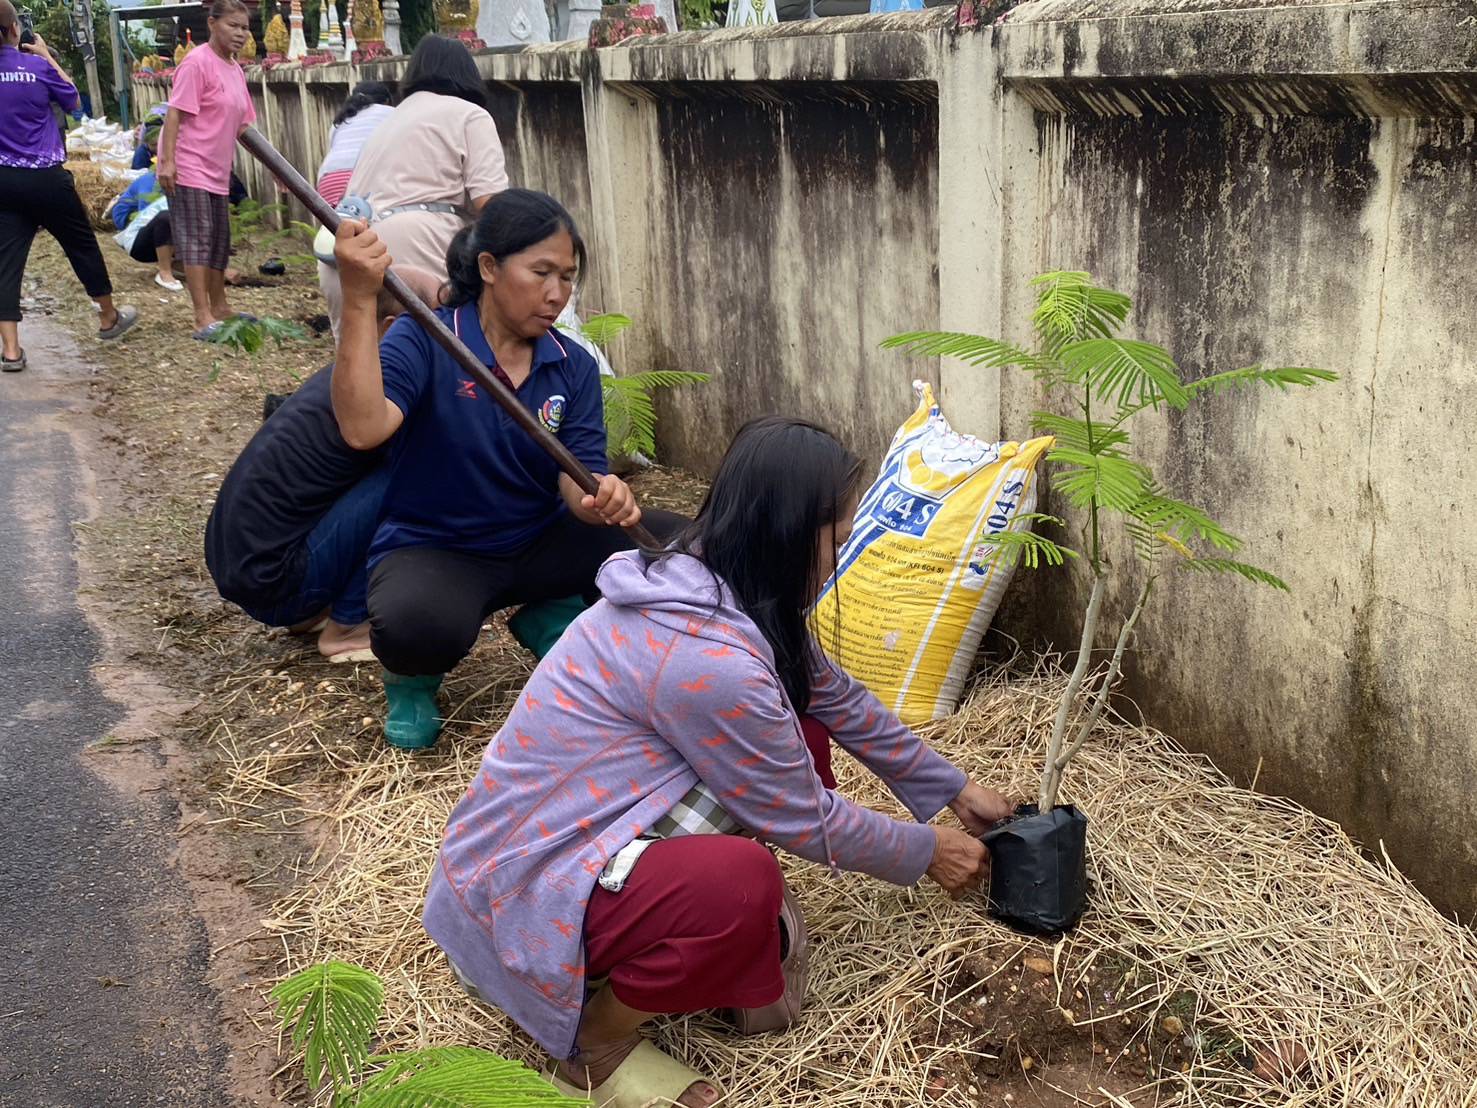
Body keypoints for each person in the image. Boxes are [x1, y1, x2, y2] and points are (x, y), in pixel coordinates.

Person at [422, 416, 1016, 1107]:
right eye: (837, 537)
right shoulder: (708, 658)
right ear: (790, 535)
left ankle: (671, 929)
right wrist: (928, 850)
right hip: (522, 899)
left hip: (564, 836)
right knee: (739, 886)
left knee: (799, 728)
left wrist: (954, 790)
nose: (840, 555)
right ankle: (594, 1047)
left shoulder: (711, 578)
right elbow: (807, 821)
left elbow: (831, 695)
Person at [331, 188, 684, 749]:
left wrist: (600, 496)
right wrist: (358, 299)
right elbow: (362, 429)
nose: (556, 294)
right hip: (439, 547)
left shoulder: (571, 363)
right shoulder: (428, 339)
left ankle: (552, 609)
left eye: (567, 277)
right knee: (415, 626)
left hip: (539, 539)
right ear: (489, 267)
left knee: (681, 548)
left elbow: (577, 476)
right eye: (541, 272)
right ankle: (411, 679)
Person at [204, 266, 445, 662]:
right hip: (275, 582)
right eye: (439, 320)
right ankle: (348, 626)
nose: (451, 332)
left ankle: (314, 610)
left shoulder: (348, 376)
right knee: (421, 474)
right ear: (395, 328)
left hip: (249, 568)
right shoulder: (384, 392)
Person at [318, 34, 507, 335]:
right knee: (446, 350)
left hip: (343, 249)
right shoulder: (471, 115)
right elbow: (493, 205)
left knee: (360, 359)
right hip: (410, 249)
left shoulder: (392, 118)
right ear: (469, 75)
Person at [0, 0, 139, 372]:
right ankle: (108, 317)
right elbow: (74, 100)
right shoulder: (36, 67)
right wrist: (47, 55)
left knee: (6, 262)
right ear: (14, 29)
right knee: (81, 245)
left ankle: (11, 351)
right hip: (47, 178)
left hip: (4, 181)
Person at [156, 0, 256, 340]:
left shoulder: (234, 69)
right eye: (233, 25)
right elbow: (175, 112)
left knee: (218, 241)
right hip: (189, 164)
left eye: (245, 27)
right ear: (212, 24)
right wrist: (168, 162)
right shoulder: (197, 63)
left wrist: (276, 168)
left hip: (217, 169)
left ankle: (220, 306)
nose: (241, 33)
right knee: (197, 239)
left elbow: (244, 127)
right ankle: (201, 316)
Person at [315, 80, 394, 208]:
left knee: (337, 220)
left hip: (329, 182)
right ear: (387, 101)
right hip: (365, 178)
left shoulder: (342, 120)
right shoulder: (392, 113)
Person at [111, 166, 182, 292]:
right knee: (166, 218)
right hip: (137, 235)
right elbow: (145, 216)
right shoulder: (149, 183)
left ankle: (176, 264)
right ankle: (164, 272)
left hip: (161, 233)